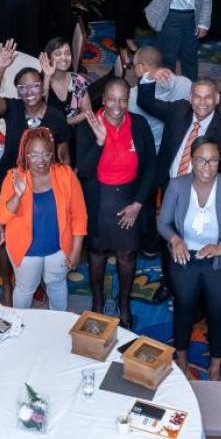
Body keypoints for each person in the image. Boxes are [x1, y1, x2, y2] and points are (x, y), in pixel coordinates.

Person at [157, 138, 221, 379]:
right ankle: (182, 359)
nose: (207, 167)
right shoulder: (177, 186)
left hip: (220, 263)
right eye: (201, 160)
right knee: (183, 309)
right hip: (183, 259)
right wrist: (175, 240)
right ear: (192, 161)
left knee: (218, 313)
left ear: (220, 162)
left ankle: (214, 366)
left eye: (213, 161)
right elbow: (163, 223)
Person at [76, 80, 155, 326]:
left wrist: (138, 204)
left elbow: (151, 166)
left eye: (123, 99)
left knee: (127, 255)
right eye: (111, 98)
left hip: (129, 201)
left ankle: (124, 304)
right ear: (103, 100)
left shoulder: (139, 125)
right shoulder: (88, 127)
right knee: (97, 253)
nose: (117, 106)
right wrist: (100, 141)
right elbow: (85, 171)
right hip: (99, 200)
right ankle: (98, 301)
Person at [0, 128, 87, 310]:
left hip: (58, 248)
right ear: (26, 155)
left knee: (57, 285)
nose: (41, 160)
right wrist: (18, 194)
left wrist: (76, 250)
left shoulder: (65, 175)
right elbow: (2, 216)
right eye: (35, 154)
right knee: (25, 289)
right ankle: (19, 325)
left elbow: (79, 215)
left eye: (46, 154)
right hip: (26, 250)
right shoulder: (14, 177)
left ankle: (58, 323)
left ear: (52, 154)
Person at [0, 42, 70, 191]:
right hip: (10, 180)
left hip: (43, 184)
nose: (29, 92)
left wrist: (63, 185)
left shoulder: (56, 117)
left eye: (35, 86)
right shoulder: (13, 108)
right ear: (18, 93)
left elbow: (63, 156)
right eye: (23, 88)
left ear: (43, 89)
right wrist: (0, 69)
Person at [139, 77, 221, 187]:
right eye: (197, 97)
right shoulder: (179, 111)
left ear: (217, 99)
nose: (202, 102)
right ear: (190, 98)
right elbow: (146, 103)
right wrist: (150, 76)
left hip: (198, 193)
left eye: (208, 97)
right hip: (166, 185)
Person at [126, 46, 192, 150]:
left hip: (151, 150)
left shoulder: (133, 97)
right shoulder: (186, 83)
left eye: (135, 66)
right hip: (180, 146)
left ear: (141, 66)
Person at [40, 36, 92, 133]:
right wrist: (47, 78)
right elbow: (40, 110)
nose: (64, 58)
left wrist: (65, 122)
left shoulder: (78, 81)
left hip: (71, 132)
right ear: (49, 58)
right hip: (47, 133)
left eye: (67, 53)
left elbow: (87, 112)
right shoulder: (41, 81)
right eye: (58, 54)